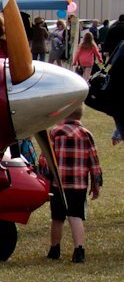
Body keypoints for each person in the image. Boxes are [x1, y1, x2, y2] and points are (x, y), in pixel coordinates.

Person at [43, 109, 102, 263]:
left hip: (58, 184)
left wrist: (45, 176)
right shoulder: (86, 134)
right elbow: (94, 162)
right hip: (79, 185)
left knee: (57, 218)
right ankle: (79, 251)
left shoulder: (55, 133)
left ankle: (54, 249)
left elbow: (45, 159)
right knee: (76, 216)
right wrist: (96, 183)